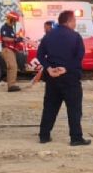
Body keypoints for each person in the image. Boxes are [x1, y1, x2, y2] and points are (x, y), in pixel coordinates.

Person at [37, 10, 90, 146]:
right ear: (69, 21)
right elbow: (78, 57)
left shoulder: (48, 36)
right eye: (74, 21)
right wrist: (65, 68)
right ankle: (76, 138)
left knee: (49, 107)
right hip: (70, 78)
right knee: (74, 109)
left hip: (52, 78)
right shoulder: (75, 37)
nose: (75, 24)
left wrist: (49, 68)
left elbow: (40, 55)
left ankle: (44, 135)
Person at [0, 11, 23, 92]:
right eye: (14, 21)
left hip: (11, 50)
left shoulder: (10, 28)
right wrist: (15, 39)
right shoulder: (4, 28)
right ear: (10, 20)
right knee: (12, 67)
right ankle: (11, 86)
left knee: (13, 67)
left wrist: (18, 39)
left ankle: (11, 84)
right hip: (7, 50)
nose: (14, 23)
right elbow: (4, 38)